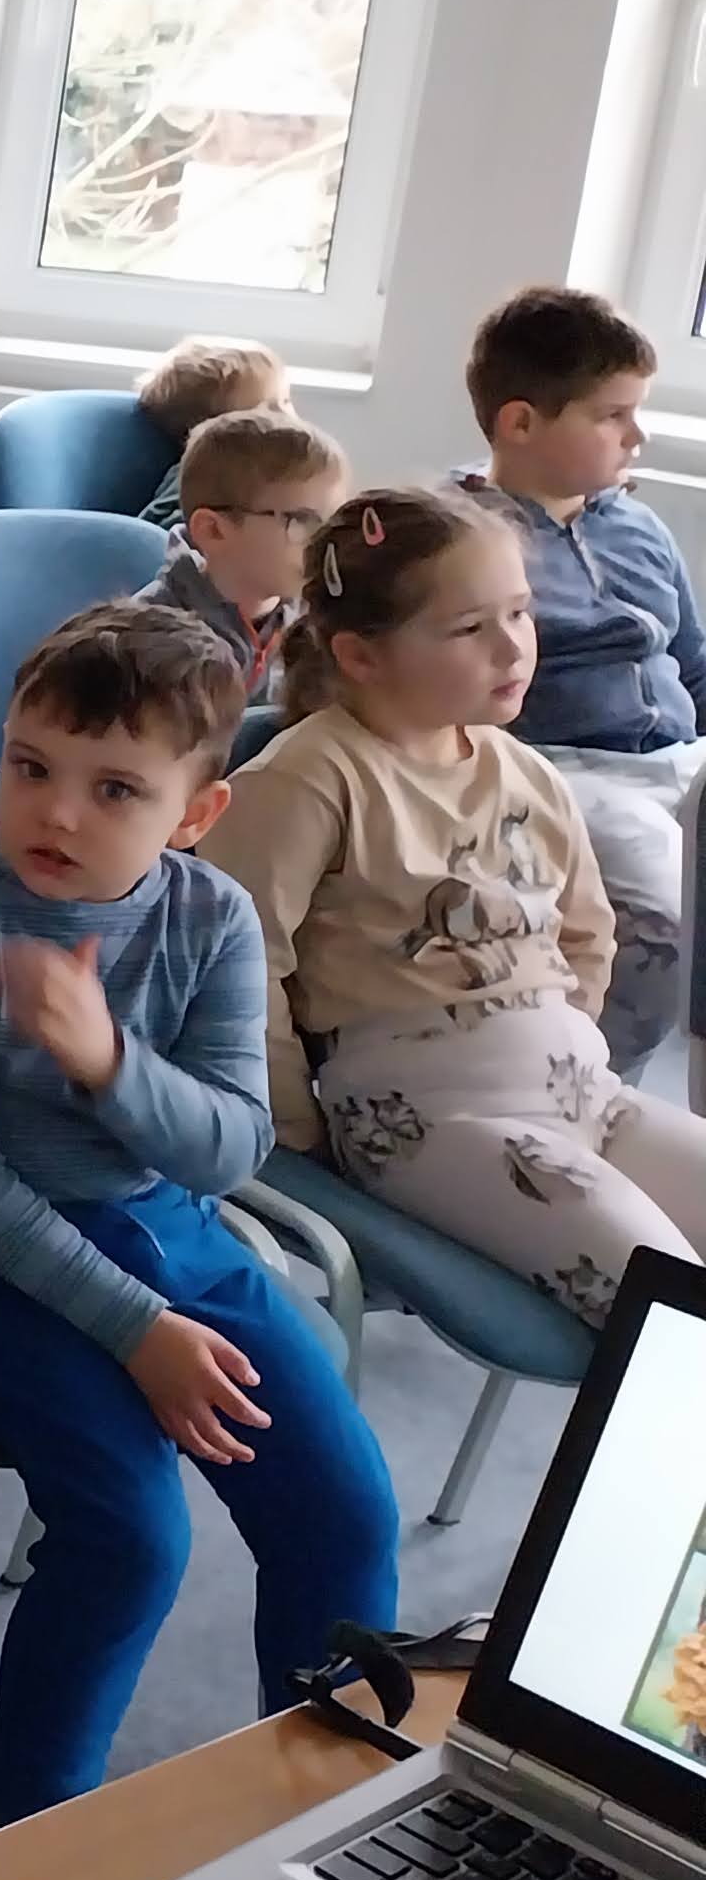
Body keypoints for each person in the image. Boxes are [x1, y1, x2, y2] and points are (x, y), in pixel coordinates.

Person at [0, 603, 396, 1865]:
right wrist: (136, 1330)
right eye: (29, 766)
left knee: (344, 1514)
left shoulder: (212, 919)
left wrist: (108, 1063)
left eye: (114, 789)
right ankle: (22, 1845)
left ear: (195, 814)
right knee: (130, 1539)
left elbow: (229, 1148)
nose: (56, 812)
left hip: (171, 1229)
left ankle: (321, 1829)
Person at [206, 489, 706, 1329]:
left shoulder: (525, 771)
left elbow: (586, 930)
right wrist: (294, 1124)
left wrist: (553, 1044)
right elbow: (240, 966)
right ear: (360, 655)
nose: (514, 646)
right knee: (669, 1306)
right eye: (471, 628)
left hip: (581, 1091)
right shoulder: (309, 778)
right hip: (432, 1117)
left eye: (520, 612)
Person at [456, 284, 706, 1067]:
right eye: (612, 416)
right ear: (520, 423)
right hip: (566, 770)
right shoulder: (459, 536)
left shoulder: (637, 523)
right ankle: (587, 1087)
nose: (638, 436)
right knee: (673, 920)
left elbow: (693, 662)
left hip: (680, 761)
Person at [136, 407, 343, 679]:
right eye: (303, 520)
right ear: (214, 531)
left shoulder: (317, 618)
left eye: (332, 522)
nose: (326, 541)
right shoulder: (147, 645)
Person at [133, 338, 289, 531]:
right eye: (266, 412)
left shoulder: (284, 468)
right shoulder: (200, 477)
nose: (285, 417)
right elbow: (154, 530)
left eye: (285, 401)